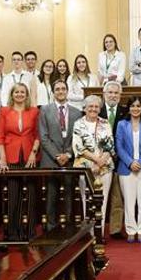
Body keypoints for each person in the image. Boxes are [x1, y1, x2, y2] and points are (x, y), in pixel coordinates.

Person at [0, 83, 41, 240]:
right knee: (13, 196)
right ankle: (12, 232)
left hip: (30, 157)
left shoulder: (34, 111)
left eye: (23, 92)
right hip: (10, 157)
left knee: (30, 195)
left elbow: (37, 135)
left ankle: (29, 232)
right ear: (12, 94)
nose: (20, 94)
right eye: (17, 92)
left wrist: (33, 154)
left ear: (27, 95)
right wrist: (2, 158)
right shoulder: (4, 111)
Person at [38, 79, 82, 228]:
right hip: (51, 160)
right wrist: (57, 155)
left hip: (70, 160)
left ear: (67, 91)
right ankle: (51, 227)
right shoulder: (44, 110)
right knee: (51, 195)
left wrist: (68, 154)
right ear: (53, 92)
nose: (61, 91)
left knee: (70, 194)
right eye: (57, 89)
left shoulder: (77, 112)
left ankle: (69, 227)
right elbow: (43, 137)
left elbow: (78, 137)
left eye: (63, 89)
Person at [116, 96, 141, 243]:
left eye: (138, 106)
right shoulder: (121, 124)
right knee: (129, 201)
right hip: (126, 169)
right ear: (128, 108)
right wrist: (130, 162)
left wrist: (140, 162)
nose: (135, 109)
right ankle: (130, 230)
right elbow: (119, 147)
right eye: (132, 106)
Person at [72, 95, 116, 231]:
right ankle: (89, 234)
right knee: (87, 201)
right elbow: (78, 147)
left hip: (105, 167)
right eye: (90, 106)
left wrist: (101, 162)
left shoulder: (105, 123)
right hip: (86, 168)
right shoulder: (78, 123)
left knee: (103, 200)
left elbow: (110, 145)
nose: (93, 109)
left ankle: (99, 232)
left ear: (100, 109)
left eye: (96, 106)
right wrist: (96, 161)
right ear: (84, 108)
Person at [102, 81, 129, 239]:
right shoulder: (96, 110)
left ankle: (115, 229)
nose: (113, 95)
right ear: (104, 94)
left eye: (116, 93)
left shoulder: (125, 112)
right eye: (110, 92)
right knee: (100, 196)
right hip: (100, 161)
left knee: (117, 196)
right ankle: (97, 230)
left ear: (120, 95)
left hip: (119, 159)